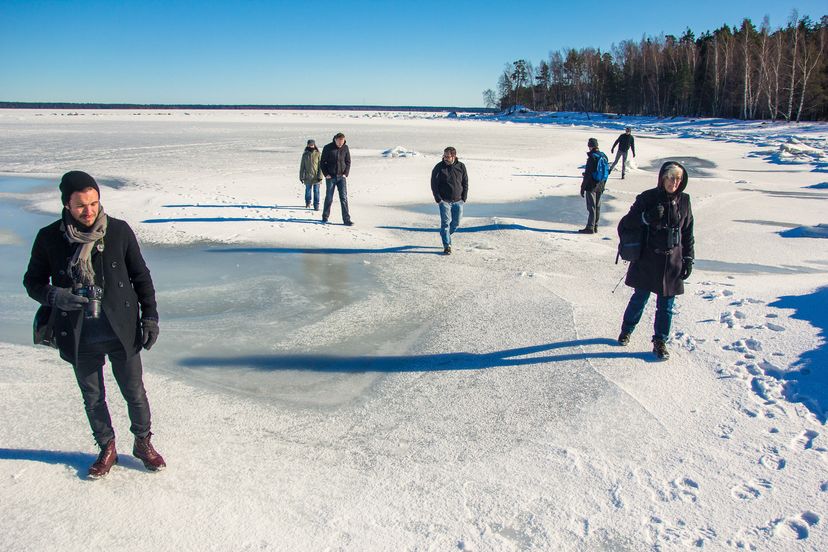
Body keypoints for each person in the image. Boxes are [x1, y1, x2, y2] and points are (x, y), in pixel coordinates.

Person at [23, 170, 166, 478]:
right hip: (78, 334)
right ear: (66, 204)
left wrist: (150, 317)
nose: (89, 211)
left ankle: (143, 443)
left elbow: (141, 277)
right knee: (92, 397)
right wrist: (55, 295)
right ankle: (107, 446)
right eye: (80, 205)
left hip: (121, 329)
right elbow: (32, 282)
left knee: (135, 392)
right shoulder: (49, 238)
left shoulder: (118, 231)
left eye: (94, 203)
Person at [616, 162, 695, 360]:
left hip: (672, 262)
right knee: (639, 299)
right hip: (648, 260)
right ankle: (626, 330)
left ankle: (660, 342)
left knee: (666, 306)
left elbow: (687, 232)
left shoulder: (685, 201)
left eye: (678, 179)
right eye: (671, 178)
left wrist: (688, 258)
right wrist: (646, 217)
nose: (674, 183)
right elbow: (626, 224)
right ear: (662, 178)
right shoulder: (647, 197)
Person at [430, 146, 468, 255]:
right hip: (444, 201)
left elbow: (465, 182)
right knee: (445, 224)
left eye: (447, 156)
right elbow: (433, 184)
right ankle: (447, 246)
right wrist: (438, 199)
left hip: (458, 201)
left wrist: (464, 198)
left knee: (456, 223)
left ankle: (444, 234)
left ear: (453, 156)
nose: (445, 158)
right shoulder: (439, 167)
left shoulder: (461, 166)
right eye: (444, 156)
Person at [320, 132, 353, 225]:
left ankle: (346, 219)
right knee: (329, 197)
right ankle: (325, 217)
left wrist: (345, 173)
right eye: (339, 142)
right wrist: (326, 174)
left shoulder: (345, 148)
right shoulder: (328, 147)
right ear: (335, 140)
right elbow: (322, 162)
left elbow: (348, 161)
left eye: (342, 142)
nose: (340, 144)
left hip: (341, 177)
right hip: (330, 177)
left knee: (344, 198)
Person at [578, 137, 608, 234]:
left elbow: (588, 174)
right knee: (597, 206)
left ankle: (590, 228)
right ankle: (595, 227)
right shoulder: (603, 156)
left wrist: (582, 188)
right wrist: (603, 185)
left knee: (591, 207)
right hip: (600, 184)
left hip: (591, 185)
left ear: (590, 146)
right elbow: (606, 172)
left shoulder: (592, 157)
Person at [299, 139, 323, 210]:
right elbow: (302, 166)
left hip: (316, 177)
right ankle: (308, 202)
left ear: (314, 145)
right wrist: (301, 176)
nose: (311, 146)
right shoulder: (305, 154)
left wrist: (320, 176)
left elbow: (320, 166)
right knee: (308, 191)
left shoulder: (318, 154)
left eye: (312, 145)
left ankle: (316, 205)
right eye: (310, 145)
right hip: (307, 176)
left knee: (316, 191)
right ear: (307, 145)